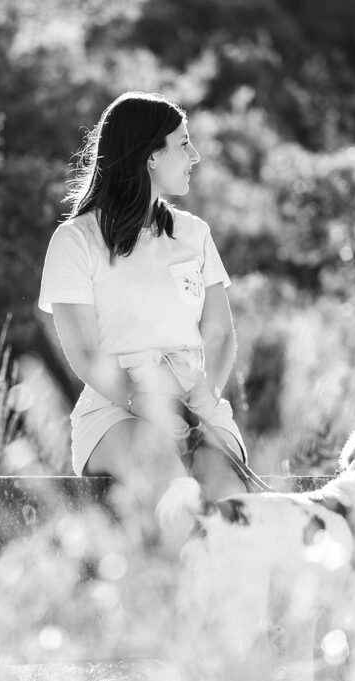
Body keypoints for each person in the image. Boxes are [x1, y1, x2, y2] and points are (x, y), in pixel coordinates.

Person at [38, 91, 247, 503]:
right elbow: (83, 349)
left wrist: (210, 393)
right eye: (184, 143)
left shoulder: (194, 233)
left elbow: (220, 334)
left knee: (229, 494)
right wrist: (140, 401)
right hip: (117, 408)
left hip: (195, 403)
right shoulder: (75, 240)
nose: (196, 156)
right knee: (168, 478)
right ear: (151, 156)